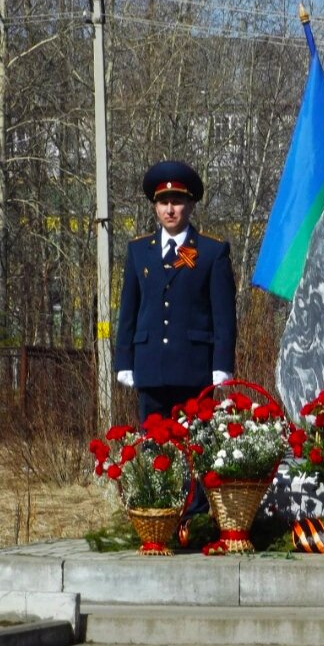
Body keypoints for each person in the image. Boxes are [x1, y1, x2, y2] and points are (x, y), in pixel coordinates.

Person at [114, 160, 237, 513]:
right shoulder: (140, 250)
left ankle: (193, 517)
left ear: (191, 204)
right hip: (150, 366)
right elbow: (129, 310)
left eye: (178, 201)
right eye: (163, 202)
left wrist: (222, 365)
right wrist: (124, 360)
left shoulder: (211, 251)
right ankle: (156, 515)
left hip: (194, 369)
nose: (170, 209)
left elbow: (223, 315)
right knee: (154, 448)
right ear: (155, 206)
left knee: (194, 449)